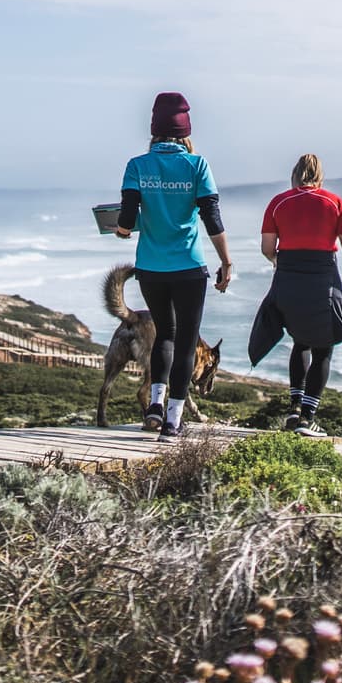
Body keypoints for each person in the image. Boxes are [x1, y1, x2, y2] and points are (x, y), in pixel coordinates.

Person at [114, 91, 233, 439]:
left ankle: (154, 405)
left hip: (151, 268)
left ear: (154, 130)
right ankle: (173, 419)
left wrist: (122, 230)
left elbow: (125, 220)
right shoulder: (198, 166)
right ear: (185, 132)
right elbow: (212, 219)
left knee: (165, 334)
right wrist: (226, 261)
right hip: (189, 268)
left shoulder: (137, 165)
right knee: (185, 342)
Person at [248, 153, 342, 437]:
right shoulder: (334, 202)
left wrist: (280, 262)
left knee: (300, 342)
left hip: (287, 278)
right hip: (323, 279)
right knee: (323, 348)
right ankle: (307, 417)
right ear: (320, 175)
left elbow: (267, 247)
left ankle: (293, 408)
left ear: (295, 174)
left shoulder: (278, 202)